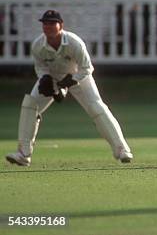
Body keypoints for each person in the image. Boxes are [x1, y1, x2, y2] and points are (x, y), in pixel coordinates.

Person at [6, 10, 133, 166]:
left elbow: (87, 68)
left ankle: (121, 150)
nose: (48, 27)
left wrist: (70, 81)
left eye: (52, 23)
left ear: (61, 25)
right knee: (30, 104)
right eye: (45, 23)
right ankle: (23, 154)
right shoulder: (38, 45)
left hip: (78, 77)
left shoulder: (74, 42)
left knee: (97, 108)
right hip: (53, 77)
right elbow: (41, 67)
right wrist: (45, 79)